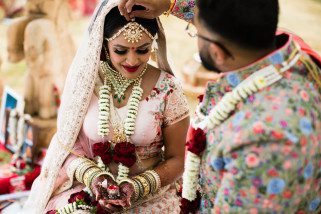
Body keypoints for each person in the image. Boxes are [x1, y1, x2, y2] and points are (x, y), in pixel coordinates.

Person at [119, 0, 321, 213]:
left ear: (217, 53)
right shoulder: (290, 55)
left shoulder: (262, 141)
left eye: (196, 31)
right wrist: (171, 5)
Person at [24, 0, 189, 213]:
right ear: (104, 44)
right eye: (120, 50)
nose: (132, 60)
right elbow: (66, 146)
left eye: (143, 50)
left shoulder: (167, 88)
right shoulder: (86, 83)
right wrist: (94, 177)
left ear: (154, 44)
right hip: (90, 190)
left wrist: (137, 186)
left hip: (151, 194)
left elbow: (179, 158)